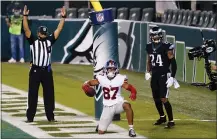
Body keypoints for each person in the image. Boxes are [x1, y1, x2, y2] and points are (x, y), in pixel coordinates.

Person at [22, 5, 66, 122]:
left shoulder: (49, 41)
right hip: (35, 70)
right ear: (39, 33)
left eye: (45, 33)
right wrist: (25, 16)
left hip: (46, 71)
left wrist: (63, 17)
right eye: (43, 33)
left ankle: (50, 117)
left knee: (49, 95)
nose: (44, 35)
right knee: (33, 95)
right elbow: (26, 29)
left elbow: (59, 29)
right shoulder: (33, 41)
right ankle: (30, 117)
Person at [82, 60, 137, 137]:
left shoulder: (120, 78)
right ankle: (101, 124)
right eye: (109, 68)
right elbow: (90, 83)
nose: (111, 70)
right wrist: (85, 86)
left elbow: (129, 87)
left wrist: (133, 92)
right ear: (106, 69)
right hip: (107, 107)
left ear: (116, 69)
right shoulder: (101, 78)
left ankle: (131, 129)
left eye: (113, 68)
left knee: (127, 105)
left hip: (118, 103)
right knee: (101, 131)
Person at [145, 26, 177, 128]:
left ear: (160, 35)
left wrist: (172, 76)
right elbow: (149, 59)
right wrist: (148, 71)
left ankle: (171, 120)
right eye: (153, 35)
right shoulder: (149, 46)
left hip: (164, 74)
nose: (155, 37)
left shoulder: (166, 46)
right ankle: (162, 117)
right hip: (154, 74)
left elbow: (173, 62)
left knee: (163, 98)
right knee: (156, 98)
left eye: (156, 35)